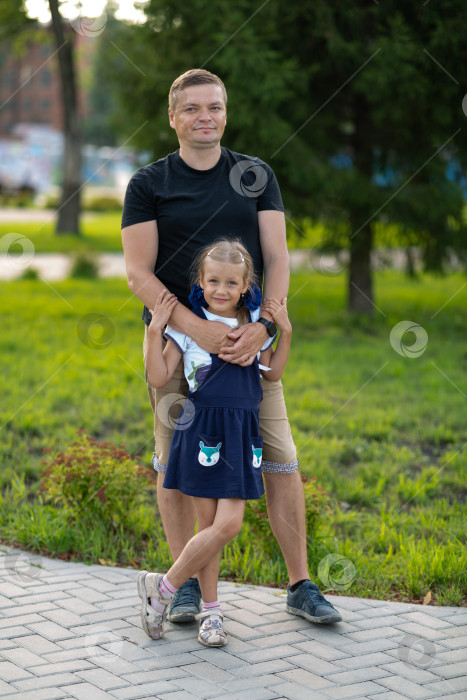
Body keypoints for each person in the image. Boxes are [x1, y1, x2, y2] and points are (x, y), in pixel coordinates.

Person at [122, 68, 341, 628]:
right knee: (175, 465)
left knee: (281, 458)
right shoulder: (149, 184)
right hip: (179, 347)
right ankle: (188, 586)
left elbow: (279, 257)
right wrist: (198, 330)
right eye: (193, 108)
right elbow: (139, 274)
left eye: (214, 107)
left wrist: (265, 327)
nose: (205, 117)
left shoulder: (254, 174)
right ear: (173, 117)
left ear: (225, 112)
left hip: (247, 346)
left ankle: (301, 583)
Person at [138, 239, 292, 646]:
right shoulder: (189, 329)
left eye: (230, 282)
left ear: (245, 286)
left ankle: (163, 588)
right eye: (212, 281)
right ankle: (212, 614)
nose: (220, 290)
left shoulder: (254, 325)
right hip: (202, 432)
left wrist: (284, 332)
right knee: (209, 525)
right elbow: (158, 377)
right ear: (201, 282)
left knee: (228, 524)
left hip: (241, 434)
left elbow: (272, 373)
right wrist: (156, 329)